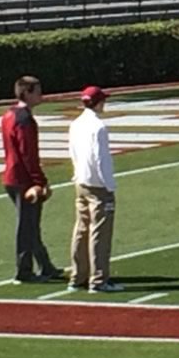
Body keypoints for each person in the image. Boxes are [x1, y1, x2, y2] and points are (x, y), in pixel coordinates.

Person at [1, 75, 62, 284]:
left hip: (12, 176)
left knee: (31, 225)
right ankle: (24, 271)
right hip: (23, 179)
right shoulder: (25, 120)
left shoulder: (9, 114)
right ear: (26, 92)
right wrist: (40, 181)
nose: (41, 95)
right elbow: (29, 155)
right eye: (37, 91)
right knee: (27, 226)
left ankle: (45, 265)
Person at [66, 85, 119, 293]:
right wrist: (109, 185)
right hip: (98, 185)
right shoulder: (98, 127)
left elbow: (73, 153)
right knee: (100, 233)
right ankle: (98, 279)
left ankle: (77, 275)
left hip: (81, 182)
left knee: (81, 229)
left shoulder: (76, 124)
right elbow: (101, 159)